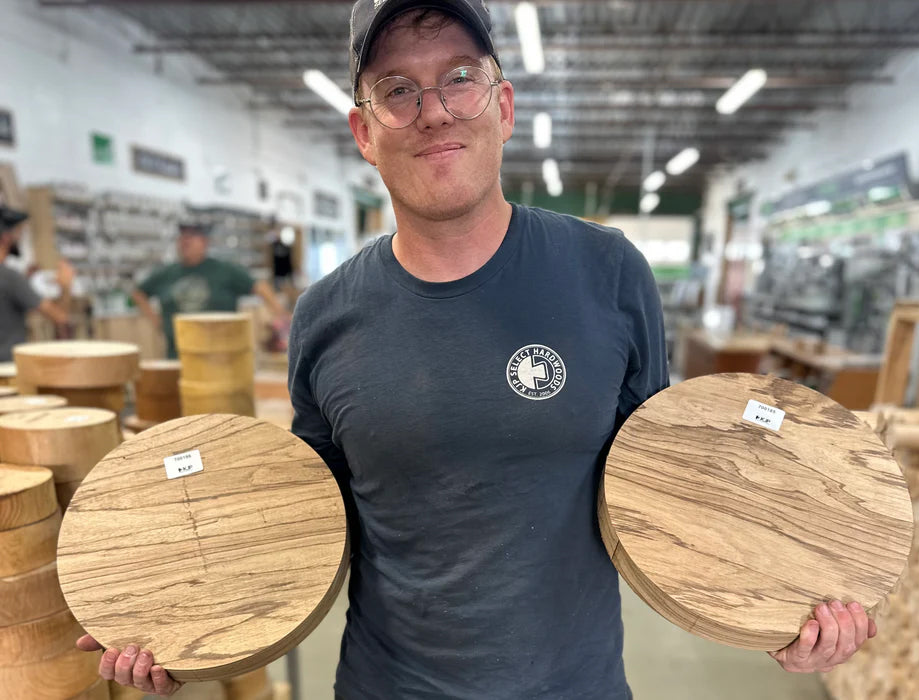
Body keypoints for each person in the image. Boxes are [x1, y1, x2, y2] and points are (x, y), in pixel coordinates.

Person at [81, 1, 876, 696]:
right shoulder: (325, 314)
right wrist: (177, 621)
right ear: (363, 131)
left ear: (504, 105)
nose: (432, 110)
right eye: (397, 90)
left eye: (459, 77)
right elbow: (302, 517)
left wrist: (781, 604)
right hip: (387, 686)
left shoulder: (608, 273)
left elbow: (668, 485)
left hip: (577, 685)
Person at [130, 222, 289, 358]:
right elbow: (138, 293)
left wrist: (280, 316)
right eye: (183, 237)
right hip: (179, 353)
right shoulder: (167, 273)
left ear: (205, 242)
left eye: (192, 236)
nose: (186, 241)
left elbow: (260, 287)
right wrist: (157, 321)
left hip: (221, 354)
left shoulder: (223, 270)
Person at [0, 205, 74, 361]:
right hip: (7, 371)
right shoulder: (10, 278)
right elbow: (60, 317)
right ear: (6, 237)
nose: (19, 237)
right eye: (18, 232)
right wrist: (65, 286)